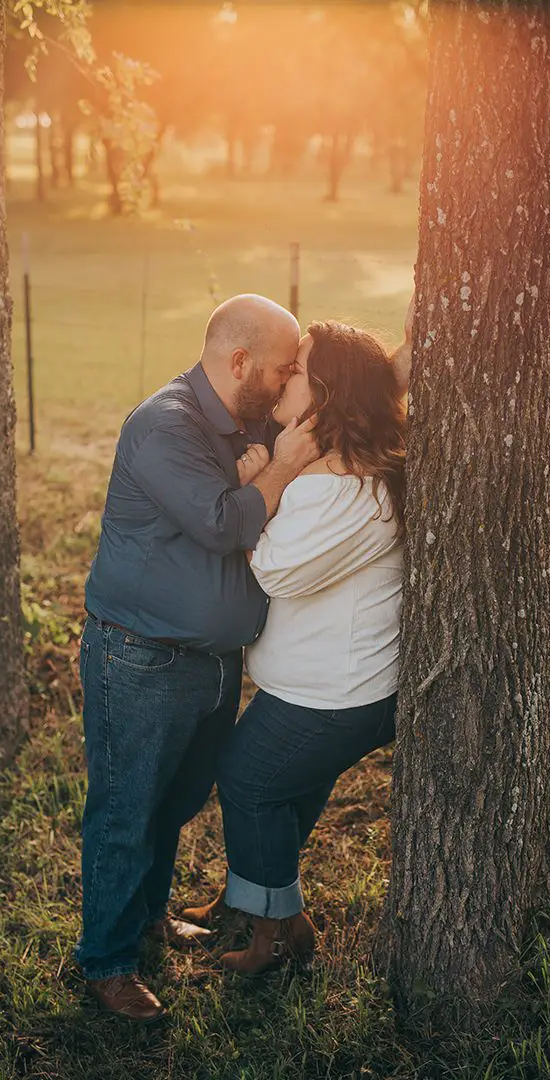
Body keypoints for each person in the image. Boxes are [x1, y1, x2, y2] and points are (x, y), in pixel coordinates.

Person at [77, 293, 321, 1021]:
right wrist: (271, 476)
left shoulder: (244, 417)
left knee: (177, 801)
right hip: (142, 657)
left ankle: (150, 917)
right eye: (280, 371)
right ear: (239, 361)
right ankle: (108, 961)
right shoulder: (164, 426)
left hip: (212, 661)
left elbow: (325, 401)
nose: (285, 384)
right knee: (126, 809)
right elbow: (222, 522)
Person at [181, 319, 408, 975]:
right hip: (323, 685)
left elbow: (274, 570)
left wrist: (265, 490)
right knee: (280, 791)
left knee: (249, 780)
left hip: (335, 694)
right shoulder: (340, 468)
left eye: (298, 368)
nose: (284, 376)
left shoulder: (343, 487)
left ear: (328, 394)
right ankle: (251, 900)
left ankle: (279, 933)